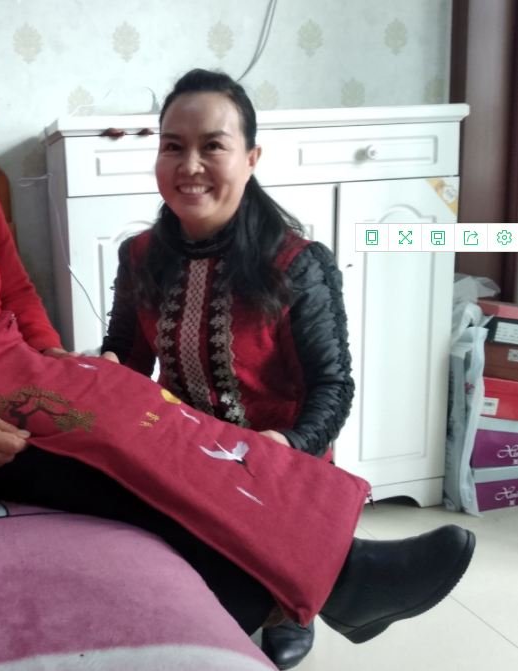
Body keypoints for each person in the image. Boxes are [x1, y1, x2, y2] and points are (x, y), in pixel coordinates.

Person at [0, 0, 475, 650]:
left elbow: (15, 287)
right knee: (100, 455)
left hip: (0, 366)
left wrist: (52, 357)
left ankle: (333, 564)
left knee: (154, 417)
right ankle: (306, 589)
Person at [101, 69, 349, 668]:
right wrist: (104, 372)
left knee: (245, 613)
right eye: (173, 146)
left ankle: (298, 596)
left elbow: (332, 386)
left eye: (212, 145)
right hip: (183, 457)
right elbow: (126, 353)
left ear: (251, 157)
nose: (189, 166)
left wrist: (285, 446)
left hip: (275, 465)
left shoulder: (298, 263)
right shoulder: (139, 255)